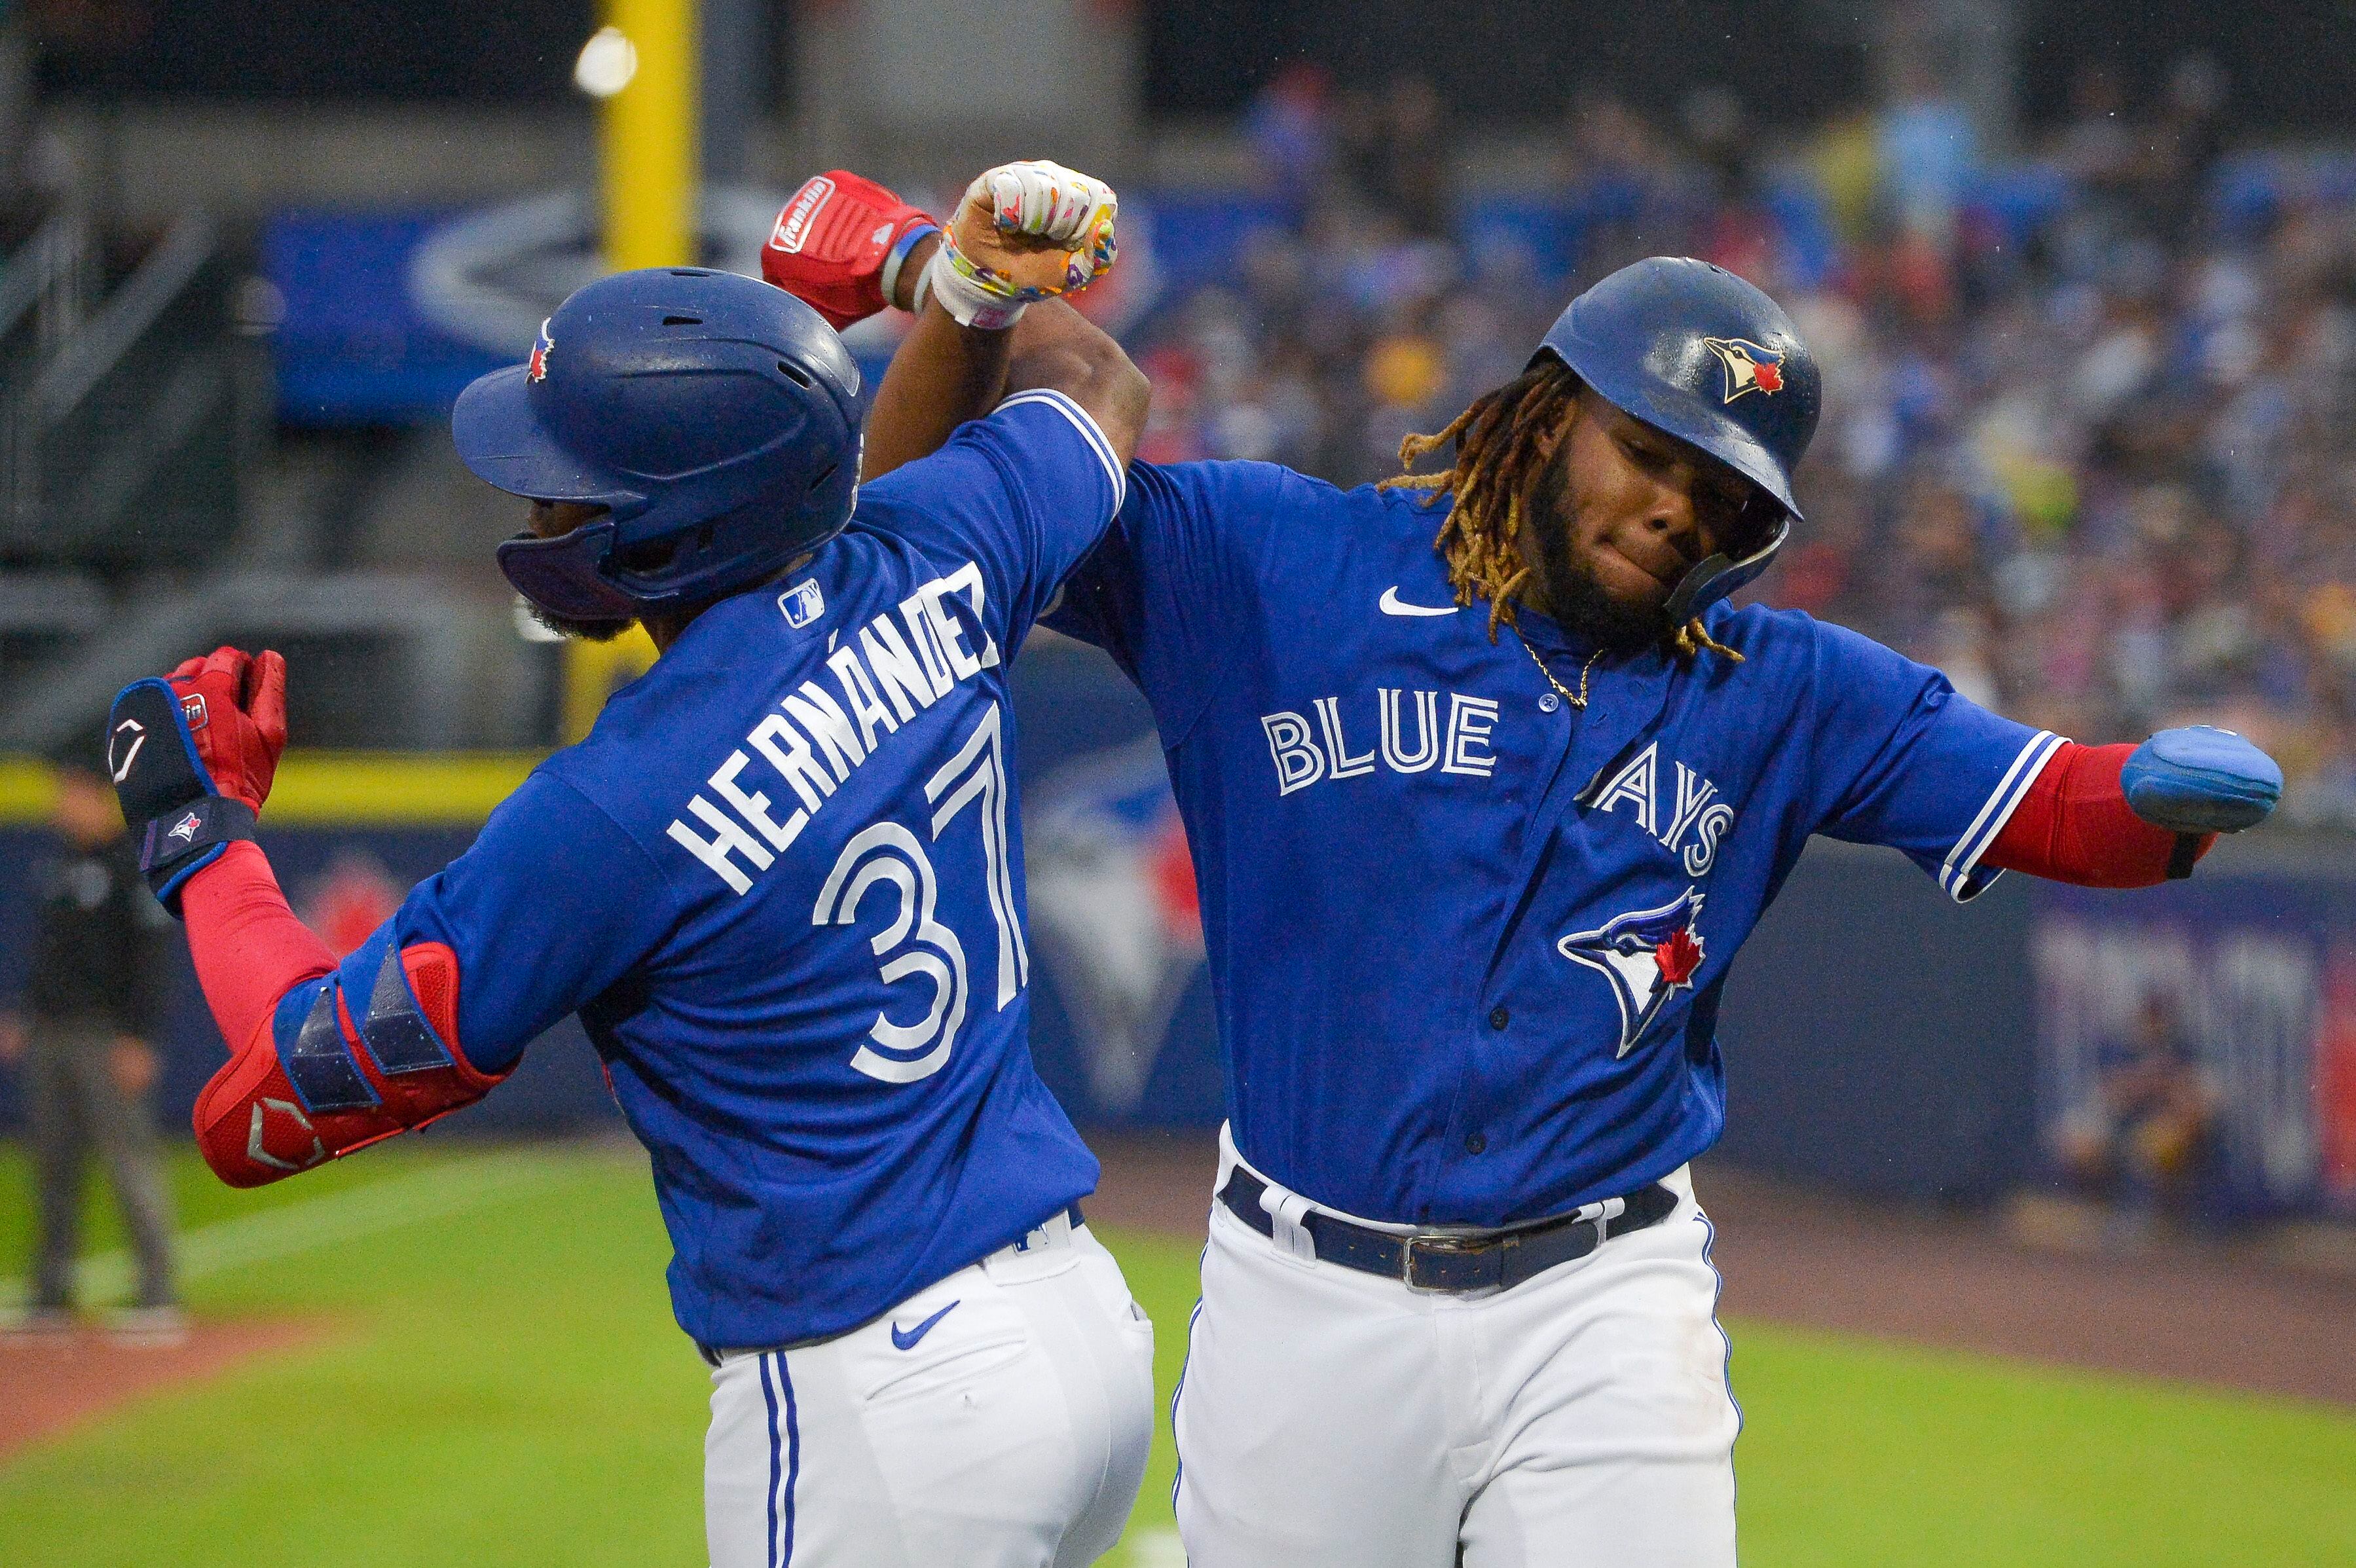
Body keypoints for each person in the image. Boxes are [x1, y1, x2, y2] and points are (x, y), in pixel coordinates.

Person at [781, 188, 2286, 1566]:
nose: (1680, 511)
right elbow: (927, 549)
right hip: (1303, 1301)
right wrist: (955, 294)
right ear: (1549, 410)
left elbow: (2067, 808)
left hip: (1602, 1303)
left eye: (1729, 499)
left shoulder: (1782, 688)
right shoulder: (1267, 563)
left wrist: (2160, 796)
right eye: (1650, 453)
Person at [103, 160, 1156, 1567]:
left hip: (876, 1392)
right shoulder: (937, 552)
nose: (542, 513)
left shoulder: (610, 808)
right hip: (1078, 1332)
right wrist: (935, 273)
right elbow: (1093, 376)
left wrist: (198, 838)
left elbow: (279, 1098)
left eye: (571, 489)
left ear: (675, 530)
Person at [0, 753, 183, 1341]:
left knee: (129, 1160)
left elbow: (150, 960)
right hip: (53, 1033)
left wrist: (139, 1036)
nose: (60, 804)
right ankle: (50, 1296)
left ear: (99, 797)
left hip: (106, 1035)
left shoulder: (132, 865)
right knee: (53, 1168)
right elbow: (51, 955)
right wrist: (26, 1016)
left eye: (70, 793)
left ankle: (158, 1293)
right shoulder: (58, 864)